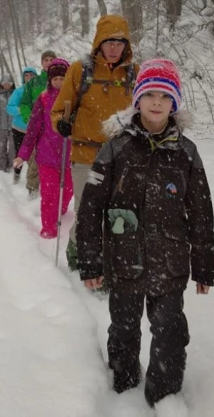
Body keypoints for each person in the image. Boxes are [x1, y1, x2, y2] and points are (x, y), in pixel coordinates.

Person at [76, 59, 214, 409]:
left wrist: (203, 266)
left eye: (165, 96)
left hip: (170, 262)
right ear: (137, 99)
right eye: (150, 94)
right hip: (124, 260)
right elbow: (90, 208)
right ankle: (122, 388)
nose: (157, 102)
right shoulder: (115, 148)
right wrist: (90, 263)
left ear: (175, 104)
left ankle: (164, 395)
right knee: (123, 328)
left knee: (169, 331)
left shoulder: (186, 152)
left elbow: (201, 212)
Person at [51, 14, 140, 270]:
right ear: (99, 43)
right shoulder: (81, 71)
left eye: (120, 42)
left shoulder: (134, 73)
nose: (114, 48)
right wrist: (62, 124)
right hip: (86, 155)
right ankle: (80, 251)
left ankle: (108, 260)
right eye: (109, 41)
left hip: (121, 157)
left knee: (116, 213)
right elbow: (58, 111)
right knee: (88, 212)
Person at [14, 59, 73, 239]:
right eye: (55, 79)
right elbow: (32, 129)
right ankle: (49, 230)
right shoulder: (43, 98)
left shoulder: (75, 98)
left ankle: (60, 210)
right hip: (46, 156)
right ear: (49, 80)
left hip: (70, 155)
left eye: (63, 79)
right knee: (49, 194)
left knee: (69, 189)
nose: (59, 83)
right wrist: (23, 155)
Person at [19, 50, 56, 198]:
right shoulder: (34, 83)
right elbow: (24, 103)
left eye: (51, 59)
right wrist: (30, 118)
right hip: (37, 128)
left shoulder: (62, 80)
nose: (48, 62)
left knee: (54, 162)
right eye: (45, 60)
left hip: (55, 129)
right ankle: (33, 190)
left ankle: (51, 192)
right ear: (41, 62)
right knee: (34, 160)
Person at [7, 67, 38, 184]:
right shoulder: (19, 91)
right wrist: (21, 110)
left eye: (32, 75)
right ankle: (17, 174)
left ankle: (32, 180)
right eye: (26, 76)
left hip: (35, 129)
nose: (29, 78)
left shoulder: (40, 91)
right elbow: (9, 108)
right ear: (23, 78)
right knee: (19, 154)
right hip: (19, 128)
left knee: (35, 157)